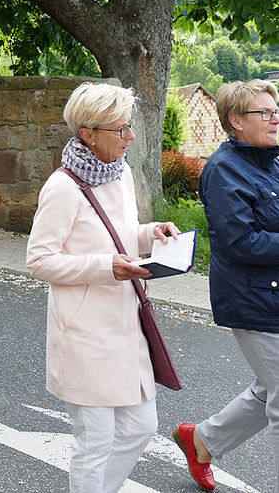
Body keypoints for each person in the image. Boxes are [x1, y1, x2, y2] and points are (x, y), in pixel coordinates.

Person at [26, 82, 178, 493]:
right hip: (84, 331)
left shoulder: (121, 172)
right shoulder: (62, 187)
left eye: (130, 127)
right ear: (87, 133)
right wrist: (105, 267)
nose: (130, 137)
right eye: (120, 130)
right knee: (94, 442)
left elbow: (121, 234)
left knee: (142, 428)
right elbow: (39, 260)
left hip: (126, 325)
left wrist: (152, 234)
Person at [172, 79, 279, 492]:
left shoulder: (271, 159)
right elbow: (240, 241)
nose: (274, 119)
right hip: (253, 299)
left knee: (268, 387)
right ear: (236, 121)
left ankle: (201, 440)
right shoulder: (223, 170)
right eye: (264, 112)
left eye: (276, 111)